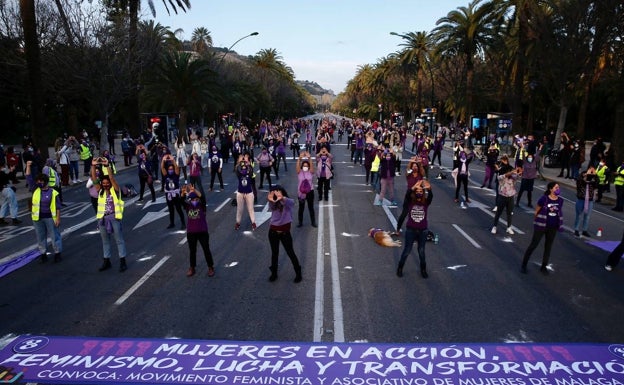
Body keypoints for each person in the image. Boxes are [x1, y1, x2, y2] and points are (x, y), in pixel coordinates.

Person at [91, 157, 127, 272]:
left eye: (107, 183)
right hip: (102, 220)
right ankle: (107, 261)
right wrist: (93, 165)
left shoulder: (115, 190)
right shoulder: (100, 190)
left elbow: (111, 178)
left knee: (119, 240)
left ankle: (122, 261)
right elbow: (94, 179)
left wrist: (107, 166)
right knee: (105, 241)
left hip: (114, 218)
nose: (106, 184)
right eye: (104, 183)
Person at [521, 182, 564, 275]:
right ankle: (524, 265)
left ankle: (544, 266)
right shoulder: (544, 199)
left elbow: (558, 212)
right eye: (556, 187)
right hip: (541, 226)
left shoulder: (560, 200)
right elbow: (536, 211)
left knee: (548, 247)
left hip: (553, 227)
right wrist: (537, 222)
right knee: (533, 245)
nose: (558, 189)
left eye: (558, 187)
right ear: (550, 189)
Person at [396, 179, 433, 279]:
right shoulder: (410, 202)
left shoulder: (426, 203)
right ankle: (400, 268)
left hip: (423, 231)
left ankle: (423, 269)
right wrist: (414, 187)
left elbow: (431, 196)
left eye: (421, 191)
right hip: (411, 230)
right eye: (417, 191)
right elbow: (408, 194)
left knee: (421, 251)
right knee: (407, 250)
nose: (419, 193)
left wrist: (429, 188)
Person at [267, 185, 302, 283]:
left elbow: (292, 202)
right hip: (273, 232)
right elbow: (272, 207)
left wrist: (282, 198)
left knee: (290, 253)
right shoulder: (273, 203)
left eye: (277, 192)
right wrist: (271, 200)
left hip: (285, 233)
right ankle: (274, 273)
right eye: (274, 193)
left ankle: (298, 272)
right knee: (274, 254)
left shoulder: (287, 202)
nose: (276, 195)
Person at [181, 185, 215, 277]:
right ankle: (192, 267)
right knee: (192, 251)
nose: (195, 201)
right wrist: (183, 193)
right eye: (193, 200)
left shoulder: (202, 206)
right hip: (191, 233)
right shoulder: (188, 207)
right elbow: (181, 200)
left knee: (206, 249)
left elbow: (202, 197)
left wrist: (194, 190)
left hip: (202, 232)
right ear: (190, 200)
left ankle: (210, 267)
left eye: (196, 199)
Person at [30, 172, 62, 263]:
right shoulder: (35, 190)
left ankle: (57, 253)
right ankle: (43, 254)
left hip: (50, 218)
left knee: (54, 236)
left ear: (45, 182)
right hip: (38, 218)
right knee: (40, 237)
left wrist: (58, 219)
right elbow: (28, 177)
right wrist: (28, 166)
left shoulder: (53, 192)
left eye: (40, 181)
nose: (39, 183)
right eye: (37, 181)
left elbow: (58, 207)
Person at [491, 155, 521, 235]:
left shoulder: (512, 177)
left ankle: (509, 227)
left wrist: (519, 172)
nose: (509, 172)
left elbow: (517, 176)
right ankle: (494, 226)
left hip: (511, 197)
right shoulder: (500, 177)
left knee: (509, 213)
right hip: (502, 196)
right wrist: (511, 172)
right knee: (498, 213)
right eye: (508, 171)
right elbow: (505, 175)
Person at [161, 153, 186, 229]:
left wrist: (172, 160)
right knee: (171, 209)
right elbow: (162, 168)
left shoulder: (176, 175)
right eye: (169, 169)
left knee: (178, 209)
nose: (170, 170)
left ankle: (183, 223)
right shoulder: (166, 175)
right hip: (169, 195)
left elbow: (176, 167)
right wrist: (163, 160)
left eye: (171, 169)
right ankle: (172, 223)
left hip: (176, 194)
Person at [573, 166, 598, 238]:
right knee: (579, 215)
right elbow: (580, 182)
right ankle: (576, 229)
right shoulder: (580, 180)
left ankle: (584, 230)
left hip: (589, 201)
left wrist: (594, 176)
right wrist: (585, 177)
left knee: (587, 216)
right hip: (581, 199)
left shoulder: (593, 180)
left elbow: (596, 183)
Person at [234, 157, 256, 231]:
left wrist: (248, 164)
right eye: (242, 168)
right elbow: (236, 169)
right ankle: (238, 223)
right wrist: (239, 162)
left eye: (245, 168)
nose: (244, 169)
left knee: (250, 209)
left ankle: (253, 223)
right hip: (240, 193)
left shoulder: (249, 174)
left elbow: (251, 170)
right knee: (239, 209)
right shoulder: (239, 175)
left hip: (249, 193)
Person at [296, 151, 316, 228]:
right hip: (301, 193)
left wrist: (309, 158)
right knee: (301, 208)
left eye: (306, 166)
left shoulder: (311, 172)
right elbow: (297, 166)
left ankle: (313, 222)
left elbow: (312, 167)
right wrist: (299, 158)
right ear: (302, 166)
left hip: (310, 191)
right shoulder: (299, 172)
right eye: (304, 166)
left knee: (311, 207)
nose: (305, 167)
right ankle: (300, 222)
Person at [0, 162, 20, 226]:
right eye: (3, 166)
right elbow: (9, 177)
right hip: (6, 189)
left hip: (1, 191)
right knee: (13, 203)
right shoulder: (1, 173)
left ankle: (1, 218)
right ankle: (14, 218)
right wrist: (11, 170)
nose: (4, 168)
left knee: (4, 204)